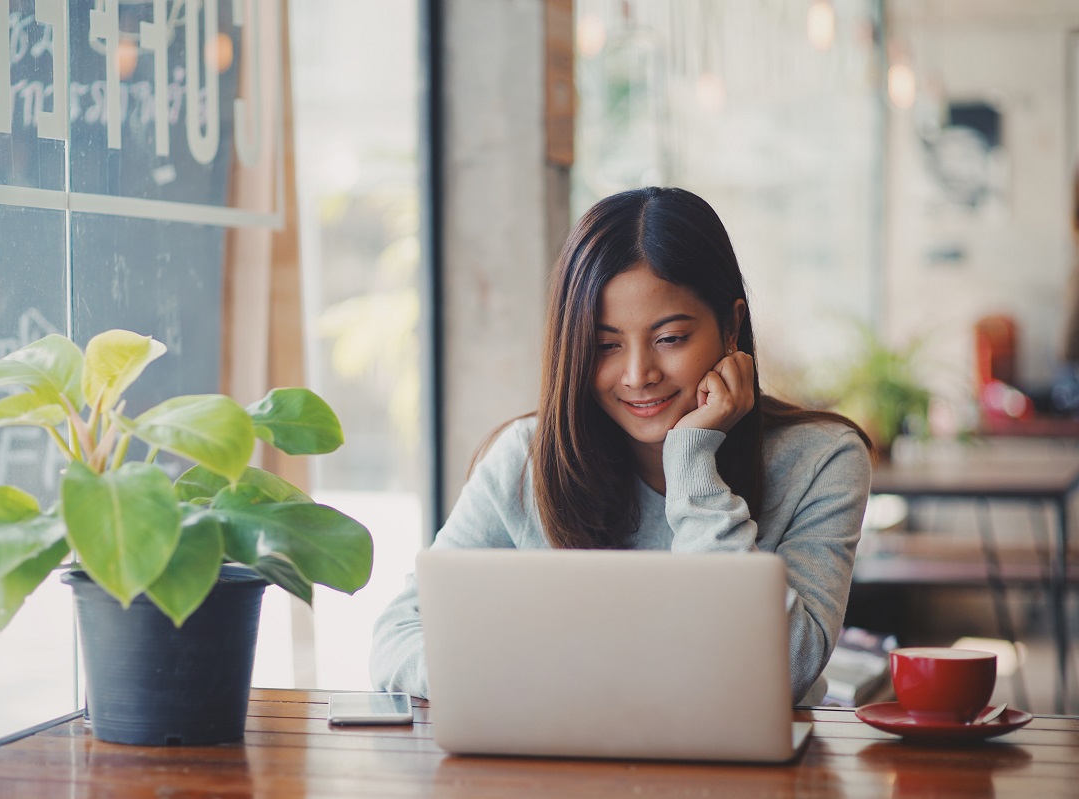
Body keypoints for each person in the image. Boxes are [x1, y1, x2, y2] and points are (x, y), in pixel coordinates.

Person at [370, 186, 874, 704]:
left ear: (731, 329)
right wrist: (523, 682)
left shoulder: (822, 459)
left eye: (670, 338)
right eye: (606, 345)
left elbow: (782, 671)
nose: (638, 375)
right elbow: (398, 635)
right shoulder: (528, 458)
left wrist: (693, 463)